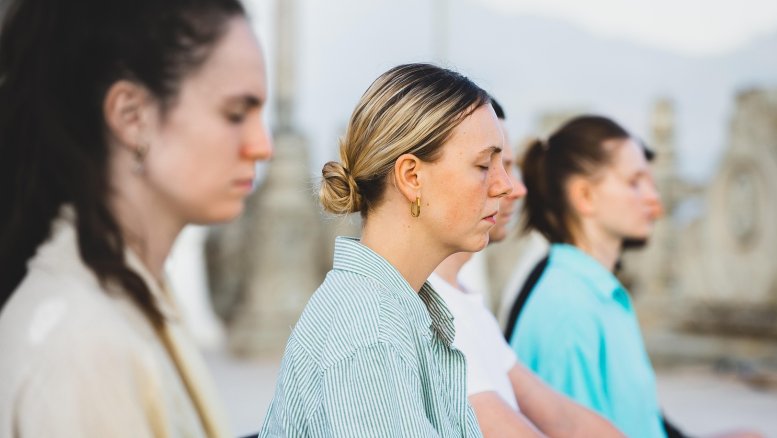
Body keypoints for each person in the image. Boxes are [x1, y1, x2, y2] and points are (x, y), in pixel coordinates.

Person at [0, 0, 271, 436]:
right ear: (132, 116)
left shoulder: (135, 293)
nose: (262, 145)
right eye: (236, 114)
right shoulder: (83, 345)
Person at [260, 63, 512, 437]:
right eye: (483, 165)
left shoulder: (398, 311)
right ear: (412, 177)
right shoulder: (370, 336)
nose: (504, 186)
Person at [429, 100, 625, 437]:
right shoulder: (431, 310)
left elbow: (563, 417)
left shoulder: (465, 302)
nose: (514, 188)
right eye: (484, 166)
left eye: (508, 167)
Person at [509, 115, 668, 438]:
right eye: (635, 182)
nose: (653, 198)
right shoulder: (568, 308)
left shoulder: (598, 292)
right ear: (584, 196)